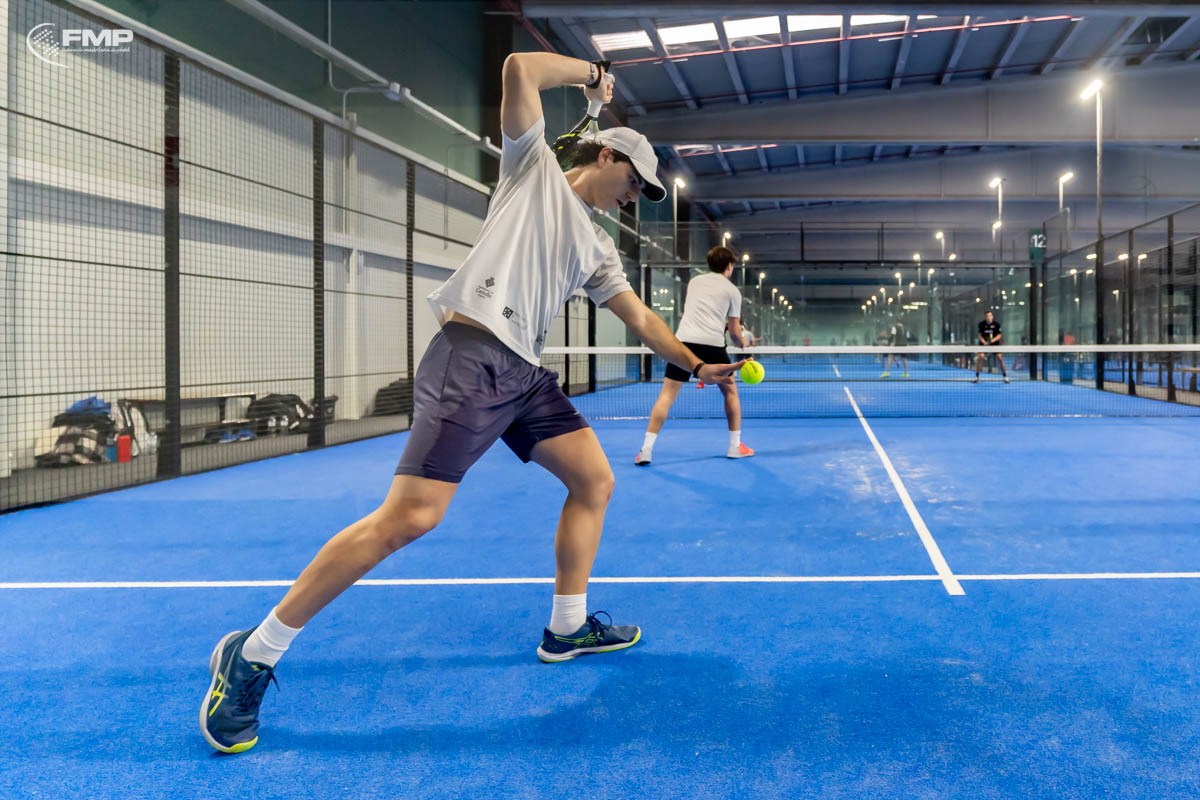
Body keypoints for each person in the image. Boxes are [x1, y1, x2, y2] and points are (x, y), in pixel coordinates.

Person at [199, 53, 746, 755]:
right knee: (412, 517)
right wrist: (589, 74)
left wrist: (696, 362)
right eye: (632, 181)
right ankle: (254, 652)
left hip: (525, 374)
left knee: (594, 480)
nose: (632, 197)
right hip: (473, 355)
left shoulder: (598, 247)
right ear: (607, 154)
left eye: (642, 192)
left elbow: (640, 318)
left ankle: (567, 627)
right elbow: (518, 68)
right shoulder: (530, 168)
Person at [634, 247, 754, 466]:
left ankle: (646, 450)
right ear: (729, 266)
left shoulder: (694, 282)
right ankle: (735, 446)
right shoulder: (732, 291)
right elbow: (734, 332)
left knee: (666, 396)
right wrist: (743, 343)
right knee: (730, 392)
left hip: (683, 344)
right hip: (713, 346)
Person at [974, 309, 1010, 383]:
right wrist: (984, 342)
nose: (989, 317)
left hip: (994, 344)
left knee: (1000, 358)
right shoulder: (981, 324)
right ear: (985, 317)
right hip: (984, 344)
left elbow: (999, 335)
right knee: (980, 357)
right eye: (987, 316)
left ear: (992, 316)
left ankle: (1005, 376)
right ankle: (977, 377)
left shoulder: (997, 324)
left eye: (990, 315)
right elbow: (979, 335)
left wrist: (992, 341)